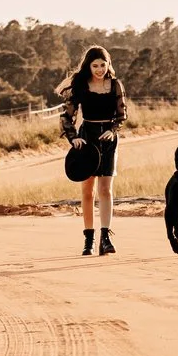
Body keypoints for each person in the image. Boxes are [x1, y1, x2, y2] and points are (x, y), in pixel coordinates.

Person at [61, 46, 128, 256]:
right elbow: (66, 117)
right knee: (87, 191)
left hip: (108, 139)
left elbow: (121, 115)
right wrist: (74, 138)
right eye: (95, 65)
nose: (99, 69)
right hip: (87, 137)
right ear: (88, 66)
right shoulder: (81, 85)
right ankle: (88, 240)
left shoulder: (116, 85)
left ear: (108, 64)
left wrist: (112, 130)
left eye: (103, 64)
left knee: (106, 189)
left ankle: (105, 238)